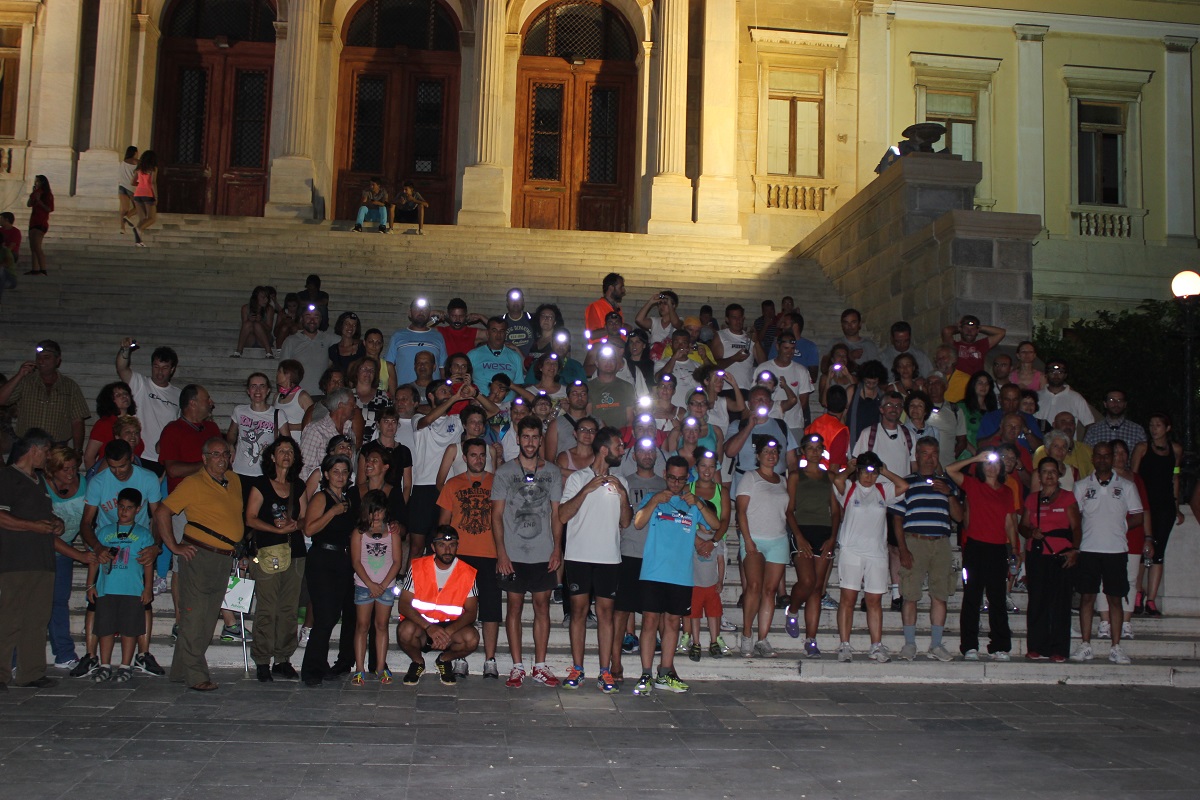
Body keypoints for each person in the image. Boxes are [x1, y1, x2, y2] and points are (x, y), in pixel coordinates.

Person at [0, 430, 93, 690]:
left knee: (37, 619)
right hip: (16, 561)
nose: (49, 457)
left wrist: (57, 523)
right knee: (10, 618)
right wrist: (34, 527)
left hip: (43, 560)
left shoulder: (38, 481)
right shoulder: (8, 477)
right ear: (34, 450)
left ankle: (30, 672)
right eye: (47, 451)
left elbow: (45, 515)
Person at [154, 437, 243, 691]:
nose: (221, 458)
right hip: (199, 554)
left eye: (224, 454)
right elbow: (162, 512)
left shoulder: (234, 480)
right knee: (194, 616)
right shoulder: (193, 483)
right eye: (215, 454)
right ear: (204, 459)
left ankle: (180, 670)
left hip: (224, 557)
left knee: (207, 617)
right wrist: (174, 546)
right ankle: (196, 675)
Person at [629, 456, 718, 695]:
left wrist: (699, 504)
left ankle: (665, 672)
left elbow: (715, 525)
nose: (676, 483)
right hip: (653, 571)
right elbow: (638, 523)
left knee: (672, 623)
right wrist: (654, 500)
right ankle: (645, 674)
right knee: (649, 621)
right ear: (665, 475)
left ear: (687, 477)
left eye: (680, 479)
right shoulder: (654, 497)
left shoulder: (693, 502)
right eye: (671, 478)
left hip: (680, 575)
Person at [77, 438, 165, 678]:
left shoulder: (147, 478)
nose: (118, 472)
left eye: (123, 466)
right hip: (105, 542)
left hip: (139, 542)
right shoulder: (98, 482)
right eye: (113, 467)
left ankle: (142, 655)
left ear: (132, 459)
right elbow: (86, 522)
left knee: (141, 603)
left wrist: (155, 546)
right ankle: (92, 656)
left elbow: (158, 516)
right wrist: (97, 547)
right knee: (96, 602)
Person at [492, 416, 564, 688]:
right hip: (513, 552)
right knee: (514, 606)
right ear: (519, 439)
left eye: (535, 437)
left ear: (541, 439)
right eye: (526, 437)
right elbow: (496, 515)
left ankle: (540, 665)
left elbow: (556, 514)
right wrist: (501, 553)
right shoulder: (504, 472)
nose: (530, 442)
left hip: (543, 551)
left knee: (542, 606)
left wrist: (557, 549)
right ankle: (517, 666)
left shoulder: (553, 472)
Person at [558, 426, 630, 692]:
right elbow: (563, 515)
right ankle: (577, 669)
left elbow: (626, 522)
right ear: (603, 449)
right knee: (578, 612)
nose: (622, 450)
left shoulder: (621, 481)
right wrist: (586, 489)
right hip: (578, 556)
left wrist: (623, 495)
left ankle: (604, 671)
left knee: (606, 614)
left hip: (609, 558)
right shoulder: (578, 478)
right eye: (618, 445)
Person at [830, 452, 909, 664]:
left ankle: (876, 645)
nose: (869, 477)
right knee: (848, 598)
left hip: (876, 553)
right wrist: (849, 468)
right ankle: (844, 645)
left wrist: (884, 471)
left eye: (873, 473)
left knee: (874, 600)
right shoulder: (850, 488)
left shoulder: (882, 490)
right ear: (858, 471)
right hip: (852, 551)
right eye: (865, 472)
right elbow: (837, 481)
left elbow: (903, 486)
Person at [1071, 441, 1143, 665]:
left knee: (1115, 598)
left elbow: (1138, 516)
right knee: (1087, 598)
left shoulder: (1127, 486)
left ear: (1112, 458)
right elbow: (1074, 517)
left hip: (1116, 550)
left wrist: (1121, 526)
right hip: (1088, 549)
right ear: (1093, 458)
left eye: (1106, 455)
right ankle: (1085, 644)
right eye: (1099, 455)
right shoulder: (1081, 486)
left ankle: (1116, 646)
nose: (1102, 459)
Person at [946, 450, 1021, 661]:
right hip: (975, 547)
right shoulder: (973, 485)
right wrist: (976, 458)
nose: (991, 467)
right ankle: (970, 646)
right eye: (987, 463)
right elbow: (950, 470)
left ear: (1001, 468)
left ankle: (1000, 646)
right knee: (972, 596)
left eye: (995, 463)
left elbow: (1010, 522)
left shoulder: (1006, 491)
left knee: (997, 598)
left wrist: (1015, 549)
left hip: (997, 548)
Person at [893, 437, 962, 662]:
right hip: (915, 541)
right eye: (925, 453)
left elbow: (959, 516)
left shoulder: (947, 483)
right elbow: (897, 518)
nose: (930, 458)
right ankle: (909, 644)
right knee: (910, 594)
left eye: (934, 454)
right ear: (917, 455)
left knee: (940, 594)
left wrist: (949, 493)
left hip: (941, 542)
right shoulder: (907, 482)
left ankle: (936, 644)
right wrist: (902, 548)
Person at [436, 438, 501, 679]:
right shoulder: (452, 484)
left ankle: (490, 660)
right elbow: (443, 524)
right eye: (473, 455)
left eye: (482, 455)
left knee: (491, 610)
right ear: (464, 457)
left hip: (490, 553)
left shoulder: (497, 482)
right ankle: (459, 656)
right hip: (460, 556)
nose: (478, 459)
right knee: (460, 609)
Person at [244, 436, 307, 682]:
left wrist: (294, 524)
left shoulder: (298, 486)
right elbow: (250, 518)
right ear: (272, 457)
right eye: (281, 450)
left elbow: (305, 519)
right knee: (267, 607)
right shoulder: (261, 484)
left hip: (294, 552)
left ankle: (282, 658)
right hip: (267, 552)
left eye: (290, 451)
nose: (286, 455)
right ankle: (262, 659)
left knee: (288, 608)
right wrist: (275, 529)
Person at [735, 436, 798, 659]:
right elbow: (741, 511)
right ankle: (746, 634)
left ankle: (762, 639)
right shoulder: (750, 477)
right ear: (758, 455)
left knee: (770, 591)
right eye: (766, 452)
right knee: (753, 586)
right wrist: (747, 539)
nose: (771, 455)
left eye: (774, 452)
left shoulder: (782, 480)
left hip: (778, 539)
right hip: (754, 539)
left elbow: (787, 511)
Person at [301, 453, 361, 686]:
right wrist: (332, 513)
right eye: (335, 471)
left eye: (344, 472)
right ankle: (310, 670)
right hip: (322, 560)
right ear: (326, 474)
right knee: (324, 616)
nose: (340, 476)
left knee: (332, 615)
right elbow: (309, 529)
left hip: (341, 560)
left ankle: (320, 664)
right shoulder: (321, 498)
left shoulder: (345, 500)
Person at [395, 525, 480, 685]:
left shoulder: (467, 572)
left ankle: (444, 660)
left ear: (457, 546)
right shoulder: (417, 567)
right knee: (404, 631)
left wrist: (447, 632)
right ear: (433, 547)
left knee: (472, 638)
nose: (447, 550)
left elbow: (471, 612)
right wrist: (429, 627)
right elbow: (404, 605)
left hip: (451, 629)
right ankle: (418, 662)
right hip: (422, 626)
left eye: (452, 545)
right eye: (442, 545)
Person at [84, 488, 153, 683]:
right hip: (106, 588)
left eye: (129, 508)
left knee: (129, 630)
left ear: (138, 509)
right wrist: (90, 584)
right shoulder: (104, 532)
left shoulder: (143, 534)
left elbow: (147, 563)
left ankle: (125, 665)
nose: (124, 511)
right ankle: (105, 665)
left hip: (132, 589)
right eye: (121, 507)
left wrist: (148, 588)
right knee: (104, 629)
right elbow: (95, 559)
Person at [781, 435, 840, 658]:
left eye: (818, 448)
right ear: (804, 451)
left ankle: (811, 640)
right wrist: (799, 536)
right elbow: (789, 510)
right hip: (802, 530)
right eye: (811, 448)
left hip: (824, 533)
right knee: (807, 581)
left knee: (816, 588)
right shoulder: (796, 476)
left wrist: (832, 538)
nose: (815, 452)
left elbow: (836, 511)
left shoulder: (829, 477)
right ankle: (793, 610)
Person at [1018, 456, 1081, 662]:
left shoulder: (1068, 498)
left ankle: (1059, 649)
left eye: (1053, 471)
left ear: (1059, 474)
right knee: (1037, 601)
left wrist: (1075, 550)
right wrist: (1031, 532)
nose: (1049, 475)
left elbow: (1076, 527)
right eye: (1045, 471)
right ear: (1039, 475)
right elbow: (1022, 526)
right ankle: (1036, 646)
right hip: (1038, 555)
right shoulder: (1032, 499)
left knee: (1060, 603)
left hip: (1061, 555)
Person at [1131, 412, 1183, 617]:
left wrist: (1176, 506)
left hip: (1165, 506)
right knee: (1143, 549)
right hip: (1145, 505)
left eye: (1158, 425)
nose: (1154, 429)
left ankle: (1151, 600)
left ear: (1167, 428)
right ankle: (1137, 593)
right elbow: (1133, 477)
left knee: (1159, 552)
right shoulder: (1142, 448)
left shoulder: (1175, 450)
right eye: (1151, 425)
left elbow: (1175, 477)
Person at [349, 489, 402, 685]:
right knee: (362, 626)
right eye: (373, 511)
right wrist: (371, 584)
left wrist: (383, 585)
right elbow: (356, 561)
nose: (377, 515)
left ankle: (380, 667)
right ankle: (359, 669)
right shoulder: (359, 533)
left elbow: (397, 562)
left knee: (381, 625)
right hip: (364, 585)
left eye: (380, 511)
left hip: (385, 586)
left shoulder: (393, 533)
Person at [0, 339, 90, 451]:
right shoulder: (26, 381)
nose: (41, 361)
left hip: (56, 447)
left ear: (57, 360)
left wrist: (77, 450)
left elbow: (77, 420)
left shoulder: (70, 386)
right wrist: (20, 375)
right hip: (27, 446)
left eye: (46, 357)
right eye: (38, 357)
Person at [46, 445, 87, 669]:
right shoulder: (41, 486)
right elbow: (47, 534)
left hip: (66, 549)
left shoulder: (84, 484)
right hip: (39, 550)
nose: (71, 474)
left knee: (59, 601)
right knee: (32, 604)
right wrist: (80, 555)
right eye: (65, 469)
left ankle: (64, 654)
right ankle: (13, 657)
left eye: (73, 468)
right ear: (52, 470)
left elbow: (88, 521)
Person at [116, 339, 181, 465]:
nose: (160, 372)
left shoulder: (179, 394)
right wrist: (125, 350)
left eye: (165, 368)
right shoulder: (140, 383)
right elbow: (122, 368)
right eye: (156, 367)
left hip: (165, 457)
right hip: (139, 454)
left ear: (172, 369)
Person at [227, 372, 283, 481]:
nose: (258, 390)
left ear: (268, 390)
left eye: (262, 386)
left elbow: (287, 441)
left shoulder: (278, 414)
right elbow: (232, 433)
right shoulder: (239, 411)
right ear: (248, 390)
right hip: (240, 470)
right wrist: (230, 446)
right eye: (253, 386)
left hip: (265, 471)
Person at [386, 298, 447, 395]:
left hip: (432, 394)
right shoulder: (397, 336)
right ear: (410, 313)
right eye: (417, 309)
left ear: (429, 313)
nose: (421, 312)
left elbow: (443, 369)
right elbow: (388, 367)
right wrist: (394, 396)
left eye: (425, 309)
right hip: (405, 396)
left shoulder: (438, 336)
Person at [280, 303, 338, 395]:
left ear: (321, 319)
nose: (312, 320)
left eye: (316, 317)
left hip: (321, 396)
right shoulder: (291, 341)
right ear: (301, 319)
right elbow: (282, 371)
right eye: (308, 316)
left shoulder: (328, 338)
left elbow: (348, 341)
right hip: (297, 396)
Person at [83, 381, 141, 469]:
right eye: (118, 395)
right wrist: (96, 475)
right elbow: (89, 457)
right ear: (110, 400)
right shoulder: (104, 424)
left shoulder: (133, 423)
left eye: (125, 393)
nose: (124, 396)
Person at [1036, 359, 1094, 429]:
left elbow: (1089, 424)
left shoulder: (1076, 398)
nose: (1056, 375)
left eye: (1060, 372)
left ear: (1065, 375)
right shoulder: (1036, 396)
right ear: (1046, 374)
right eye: (1052, 372)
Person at [469, 316, 525, 389]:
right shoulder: (473, 355)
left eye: (502, 331)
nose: (498, 335)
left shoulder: (515, 356)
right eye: (494, 331)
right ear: (487, 333)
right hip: (481, 395)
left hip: (508, 396)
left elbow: (518, 385)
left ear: (505, 334)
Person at [941, 315, 1005, 377]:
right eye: (966, 328)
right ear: (961, 329)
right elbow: (946, 331)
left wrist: (979, 327)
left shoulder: (981, 345)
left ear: (977, 331)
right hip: (958, 381)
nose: (969, 332)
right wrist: (959, 327)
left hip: (975, 382)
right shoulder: (954, 346)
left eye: (973, 329)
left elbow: (1001, 333)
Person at [711, 303, 755, 388]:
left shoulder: (749, 338)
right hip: (726, 388)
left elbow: (763, 362)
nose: (738, 321)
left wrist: (757, 341)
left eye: (740, 317)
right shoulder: (720, 335)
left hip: (746, 387)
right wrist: (734, 358)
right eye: (734, 317)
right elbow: (715, 365)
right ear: (727, 319)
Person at [232, 286, 276, 358]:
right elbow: (244, 329)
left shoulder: (269, 309)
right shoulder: (245, 308)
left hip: (264, 339)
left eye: (267, 298)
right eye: (263, 297)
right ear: (256, 297)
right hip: (250, 339)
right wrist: (250, 320)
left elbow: (269, 329)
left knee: (257, 325)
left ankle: (269, 351)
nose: (266, 300)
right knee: (248, 324)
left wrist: (261, 322)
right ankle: (239, 351)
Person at [585, 272, 626, 343]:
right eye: (621, 287)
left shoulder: (618, 308)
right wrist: (617, 328)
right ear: (611, 288)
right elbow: (592, 335)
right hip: (601, 349)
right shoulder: (595, 306)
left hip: (618, 349)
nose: (623, 290)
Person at [25, 173, 54, 271]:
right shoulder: (36, 192)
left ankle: (42, 268)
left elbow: (49, 209)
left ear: (42, 182)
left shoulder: (47, 195)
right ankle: (35, 269)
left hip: (41, 222)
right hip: (33, 221)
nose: (36, 183)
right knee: (33, 248)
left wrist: (39, 201)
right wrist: (32, 195)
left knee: (37, 247)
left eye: (37, 181)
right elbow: (29, 204)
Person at [328, 311, 366, 376]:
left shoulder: (362, 347)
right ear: (341, 325)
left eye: (354, 325)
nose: (350, 327)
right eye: (347, 324)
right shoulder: (333, 350)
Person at [131, 153, 156, 247]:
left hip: (137, 194)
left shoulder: (138, 169)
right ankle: (138, 229)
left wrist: (140, 185)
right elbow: (153, 183)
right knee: (152, 218)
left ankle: (139, 241)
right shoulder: (153, 169)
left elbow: (132, 182)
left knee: (142, 219)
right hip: (148, 194)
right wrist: (156, 196)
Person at [118, 145, 139, 233]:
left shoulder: (122, 163)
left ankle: (122, 228)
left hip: (122, 186)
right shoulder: (137, 162)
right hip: (132, 187)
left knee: (124, 209)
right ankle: (127, 217)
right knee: (138, 207)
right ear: (135, 153)